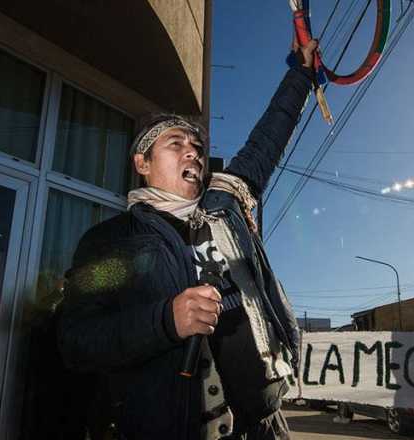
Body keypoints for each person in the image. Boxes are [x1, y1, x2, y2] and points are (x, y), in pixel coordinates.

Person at [56, 39, 318, 440]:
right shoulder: (112, 241)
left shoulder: (226, 205)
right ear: (142, 163)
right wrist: (166, 321)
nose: (192, 153)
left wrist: (302, 72)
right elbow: (78, 340)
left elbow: (268, 138)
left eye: (196, 147)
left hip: (265, 424)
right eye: (175, 145)